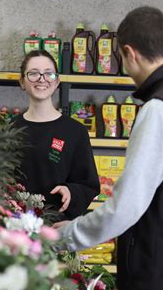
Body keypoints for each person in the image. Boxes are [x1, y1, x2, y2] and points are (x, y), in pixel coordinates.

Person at [55, 6, 163, 290]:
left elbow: (126, 208)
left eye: (121, 59)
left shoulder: (159, 109)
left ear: (130, 52)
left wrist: (62, 237)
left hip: (161, 279)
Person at [12, 50, 99, 220]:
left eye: (48, 74)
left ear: (57, 81)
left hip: (56, 229)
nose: (42, 79)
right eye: (33, 73)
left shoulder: (75, 131)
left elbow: (89, 185)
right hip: (14, 228)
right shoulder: (9, 129)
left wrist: (71, 191)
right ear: (22, 82)